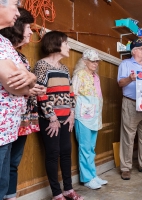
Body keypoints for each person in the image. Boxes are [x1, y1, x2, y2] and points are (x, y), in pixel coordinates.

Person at [0, 8, 46, 200]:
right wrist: (29, 85)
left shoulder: (8, 48)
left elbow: (28, 80)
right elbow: (15, 85)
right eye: (28, 27)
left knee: (8, 169)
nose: (30, 32)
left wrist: (31, 77)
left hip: (13, 121)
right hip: (6, 124)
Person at [33, 31, 83, 200]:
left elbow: (70, 93)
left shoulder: (64, 68)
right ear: (56, 43)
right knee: (53, 153)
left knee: (66, 152)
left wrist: (72, 113)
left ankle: (68, 189)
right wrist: (51, 117)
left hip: (65, 118)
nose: (68, 46)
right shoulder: (42, 65)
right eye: (66, 43)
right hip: (49, 120)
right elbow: (40, 94)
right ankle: (56, 193)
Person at [117, 38, 142, 180]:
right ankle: (125, 168)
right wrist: (130, 78)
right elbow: (120, 83)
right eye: (141, 48)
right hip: (131, 103)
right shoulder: (125, 64)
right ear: (134, 51)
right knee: (128, 136)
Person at [72, 49, 107, 189]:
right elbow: (73, 94)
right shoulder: (79, 75)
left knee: (91, 147)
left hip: (95, 116)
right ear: (85, 61)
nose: (95, 63)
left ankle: (93, 175)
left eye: (97, 61)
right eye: (92, 61)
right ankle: (87, 178)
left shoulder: (95, 77)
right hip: (83, 117)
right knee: (85, 147)